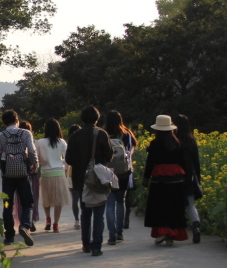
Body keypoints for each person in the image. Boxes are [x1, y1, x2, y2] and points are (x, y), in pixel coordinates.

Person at [64, 106, 112, 256]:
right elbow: (109, 155)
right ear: (97, 119)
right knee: (98, 212)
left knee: (85, 212)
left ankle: (86, 244)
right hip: (98, 180)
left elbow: (69, 159)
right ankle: (96, 246)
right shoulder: (102, 134)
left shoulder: (75, 136)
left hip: (81, 179)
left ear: (82, 119)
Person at [0, 110, 38, 246]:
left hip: (7, 174)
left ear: (4, 123)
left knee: (7, 206)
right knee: (28, 202)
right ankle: (25, 226)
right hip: (23, 173)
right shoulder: (26, 133)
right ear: (17, 120)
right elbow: (33, 151)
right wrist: (35, 166)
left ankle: (9, 236)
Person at [143, 115, 189, 246]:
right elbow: (184, 163)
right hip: (177, 179)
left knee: (160, 205)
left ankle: (163, 232)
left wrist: (146, 179)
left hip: (160, 178)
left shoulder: (155, 144)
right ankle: (171, 235)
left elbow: (150, 163)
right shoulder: (177, 143)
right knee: (174, 206)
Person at [103, 110, 137, 245]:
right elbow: (129, 152)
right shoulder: (126, 134)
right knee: (120, 202)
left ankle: (111, 235)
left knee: (109, 203)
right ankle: (119, 233)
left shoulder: (104, 134)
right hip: (123, 172)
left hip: (108, 172)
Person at [172, 114, 203, 244]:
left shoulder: (174, 140)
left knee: (176, 204)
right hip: (190, 175)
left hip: (176, 176)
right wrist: (198, 178)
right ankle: (196, 225)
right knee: (190, 204)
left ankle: (176, 230)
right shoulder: (191, 140)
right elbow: (196, 161)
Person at [36, 119, 70, 233]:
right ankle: (56, 224)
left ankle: (48, 220)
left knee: (47, 198)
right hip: (59, 173)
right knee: (58, 201)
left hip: (46, 173)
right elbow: (67, 158)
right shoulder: (62, 142)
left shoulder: (40, 142)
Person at [66, 123, 82, 229]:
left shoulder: (69, 145)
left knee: (75, 198)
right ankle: (85, 218)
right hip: (83, 173)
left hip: (71, 174)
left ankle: (77, 220)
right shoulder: (84, 144)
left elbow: (67, 162)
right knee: (84, 198)